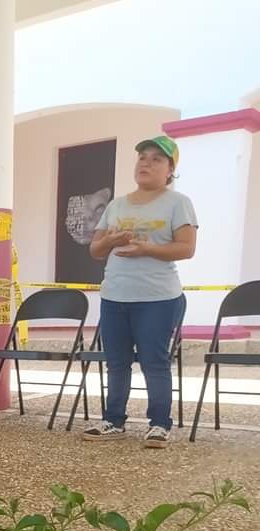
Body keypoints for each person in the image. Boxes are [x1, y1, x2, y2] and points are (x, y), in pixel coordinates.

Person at [85, 135, 197, 448]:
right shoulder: (117, 204)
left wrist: (149, 248)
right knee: (117, 361)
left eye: (156, 159)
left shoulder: (178, 202)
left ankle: (160, 424)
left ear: (170, 169)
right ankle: (113, 420)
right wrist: (111, 241)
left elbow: (187, 248)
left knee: (154, 361)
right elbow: (96, 249)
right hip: (114, 295)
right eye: (142, 158)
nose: (146, 163)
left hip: (158, 298)